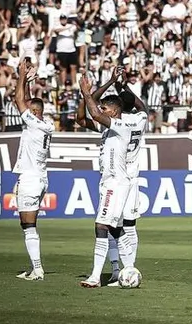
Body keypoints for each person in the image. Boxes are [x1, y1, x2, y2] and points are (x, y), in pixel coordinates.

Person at [78, 76, 138, 288]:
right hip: (108, 182)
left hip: (116, 182)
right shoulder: (107, 128)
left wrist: (87, 92)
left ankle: (95, 277)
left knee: (101, 225)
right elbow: (81, 118)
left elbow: (94, 112)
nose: (101, 111)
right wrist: (85, 95)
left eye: (105, 108)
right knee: (115, 229)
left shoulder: (121, 126)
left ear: (113, 111)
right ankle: (130, 268)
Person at [11, 60, 54, 281]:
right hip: (40, 178)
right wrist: (28, 81)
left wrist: (20, 75)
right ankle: (35, 268)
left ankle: (37, 270)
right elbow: (26, 100)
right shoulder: (44, 124)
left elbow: (19, 100)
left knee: (28, 226)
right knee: (29, 225)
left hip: (30, 179)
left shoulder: (33, 123)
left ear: (33, 112)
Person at [106, 69, 149, 286]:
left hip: (118, 178)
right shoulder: (140, 119)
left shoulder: (119, 123)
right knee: (130, 226)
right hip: (134, 179)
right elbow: (143, 107)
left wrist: (115, 84)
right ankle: (129, 267)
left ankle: (121, 268)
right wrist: (124, 87)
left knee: (114, 225)